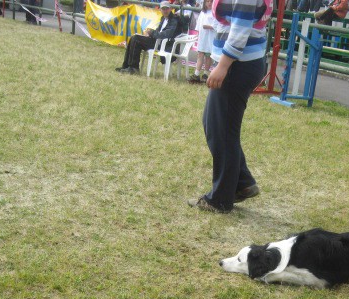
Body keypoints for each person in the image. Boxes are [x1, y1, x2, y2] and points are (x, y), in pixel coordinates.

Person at [188, 0, 273, 213]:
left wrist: (224, 65)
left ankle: (221, 199)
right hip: (240, 63)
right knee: (216, 126)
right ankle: (242, 182)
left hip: (238, 65)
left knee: (223, 132)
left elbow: (241, 28)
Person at [116, 1, 180, 74]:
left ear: (170, 9)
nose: (165, 11)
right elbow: (159, 32)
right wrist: (150, 33)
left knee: (136, 39)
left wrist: (151, 32)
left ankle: (133, 68)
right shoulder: (163, 18)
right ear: (160, 10)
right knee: (134, 37)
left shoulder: (174, 20)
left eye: (167, 9)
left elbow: (166, 34)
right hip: (158, 42)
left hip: (165, 46)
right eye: (163, 9)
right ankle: (126, 66)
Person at [190, 0, 215, 83]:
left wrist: (209, 26)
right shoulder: (203, 12)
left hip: (210, 37)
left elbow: (217, 25)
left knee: (208, 56)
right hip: (202, 37)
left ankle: (205, 74)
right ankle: (196, 74)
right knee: (200, 55)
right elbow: (199, 25)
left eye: (211, 2)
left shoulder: (214, 13)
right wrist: (198, 33)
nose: (209, 3)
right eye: (207, 1)